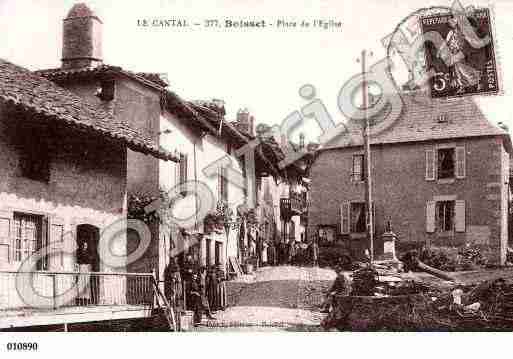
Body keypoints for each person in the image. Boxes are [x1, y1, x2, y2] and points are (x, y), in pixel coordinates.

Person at [438, 15, 481, 93]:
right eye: (450, 22)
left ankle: (477, 78)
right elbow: (446, 42)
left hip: (460, 52)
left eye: (453, 21)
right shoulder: (451, 32)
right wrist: (440, 50)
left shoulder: (463, 30)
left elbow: (469, 37)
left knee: (462, 69)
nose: (451, 23)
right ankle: (463, 86)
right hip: (453, 52)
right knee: (457, 71)